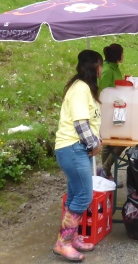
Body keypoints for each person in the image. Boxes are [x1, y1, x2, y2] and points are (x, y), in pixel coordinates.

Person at [53, 49, 103, 260]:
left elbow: (90, 121)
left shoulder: (84, 88)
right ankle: (62, 243)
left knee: (75, 195)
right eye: (101, 65)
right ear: (95, 67)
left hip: (76, 148)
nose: (102, 70)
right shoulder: (80, 89)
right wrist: (95, 144)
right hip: (72, 148)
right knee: (84, 196)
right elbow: (81, 124)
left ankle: (71, 237)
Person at [98, 43, 126, 189]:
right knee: (121, 140)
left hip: (117, 107)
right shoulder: (107, 70)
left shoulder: (114, 67)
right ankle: (106, 169)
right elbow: (103, 91)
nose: (123, 56)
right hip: (109, 109)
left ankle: (105, 172)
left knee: (110, 142)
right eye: (122, 53)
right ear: (118, 55)